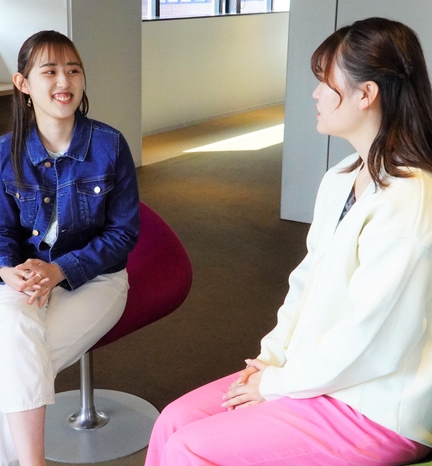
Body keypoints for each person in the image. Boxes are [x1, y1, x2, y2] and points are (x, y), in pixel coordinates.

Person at [145, 17, 432, 465]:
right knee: (173, 421)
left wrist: (278, 383)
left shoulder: (409, 199)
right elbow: (305, 285)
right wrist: (270, 360)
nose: (315, 94)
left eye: (325, 82)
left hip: (377, 405)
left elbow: (371, 339)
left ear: (366, 94)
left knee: (189, 448)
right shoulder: (341, 178)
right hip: (317, 375)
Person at [0, 30, 139, 466]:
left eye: (73, 70)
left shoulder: (109, 145)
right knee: (17, 346)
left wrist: (61, 269)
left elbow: (123, 234)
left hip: (97, 279)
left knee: (15, 364)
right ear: (23, 83)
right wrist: (6, 271)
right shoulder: (5, 153)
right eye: (49, 71)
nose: (64, 82)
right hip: (24, 276)